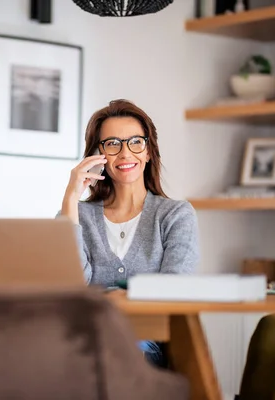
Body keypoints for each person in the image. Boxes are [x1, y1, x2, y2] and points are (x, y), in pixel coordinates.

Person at [58, 99, 200, 368]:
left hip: (146, 341)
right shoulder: (75, 216)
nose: (125, 154)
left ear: (148, 152)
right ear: (97, 155)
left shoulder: (176, 215)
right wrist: (70, 197)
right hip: (83, 337)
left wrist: (109, 297)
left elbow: (174, 289)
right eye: (112, 143)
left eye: (135, 142)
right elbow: (71, 287)